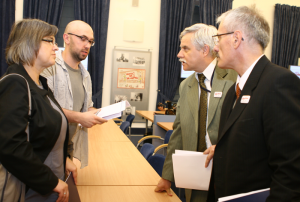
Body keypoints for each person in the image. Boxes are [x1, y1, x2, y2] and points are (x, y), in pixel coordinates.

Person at [207, 6, 300, 201]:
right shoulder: (235, 91)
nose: (215, 47)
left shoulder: (279, 82)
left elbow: (290, 168)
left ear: (236, 38)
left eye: (218, 38)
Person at [154, 23, 236, 202]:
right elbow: (179, 132)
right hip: (197, 174)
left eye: (185, 48)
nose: (179, 54)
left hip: (228, 174)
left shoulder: (233, 78)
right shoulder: (186, 85)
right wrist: (167, 176)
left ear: (205, 50)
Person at [0, 19, 77, 202]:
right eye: (49, 40)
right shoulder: (16, 82)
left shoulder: (39, 83)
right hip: (29, 189)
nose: (55, 47)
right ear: (29, 43)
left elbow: (41, 133)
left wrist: (63, 158)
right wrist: (50, 182)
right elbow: (12, 146)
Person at [42, 20, 107, 169]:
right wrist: (80, 117)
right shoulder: (48, 67)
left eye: (90, 41)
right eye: (82, 38)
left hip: (69, 145)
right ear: (66, 38)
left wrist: (98, 113)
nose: (87, 45)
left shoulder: (86, 75)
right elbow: (46, 109)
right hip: (48, 147)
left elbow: (86, 107)